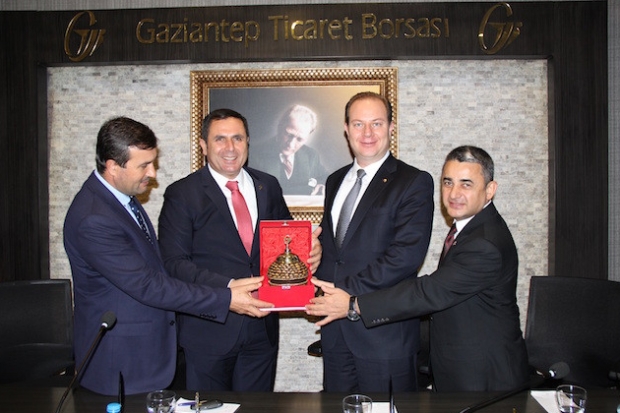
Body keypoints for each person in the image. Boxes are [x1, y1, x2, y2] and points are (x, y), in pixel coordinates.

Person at [64, 116, 273, 396]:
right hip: (122, 360)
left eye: (152, 163)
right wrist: (225, 297)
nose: (152, 173)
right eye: (144, 165)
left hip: (148, 354)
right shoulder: (94, 219)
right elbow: (149, 285)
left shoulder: (121, 200)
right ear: (113, 166)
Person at [307, 145, 530, 392]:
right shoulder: (469, 229)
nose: (454, 193)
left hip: (485, 376)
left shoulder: (484, 244)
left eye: (466, 184)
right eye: (448, 182)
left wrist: (352, 305)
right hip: (462, 367)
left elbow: (428, 292)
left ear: (490, 190)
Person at [158, 108, 322, 392]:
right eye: (220, 139)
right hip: (209, 330)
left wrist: (312, 249)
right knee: (208, 410)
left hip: (262, 331)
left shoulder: (267, 185)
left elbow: (286, 241)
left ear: (248, 141)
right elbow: (174, 263)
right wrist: (228, 287)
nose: (230, 147)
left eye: (237, 138)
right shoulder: (182, 193)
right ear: (203, 145)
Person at [310, 91, 435, 393]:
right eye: (358, 124)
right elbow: (338, 251)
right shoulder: (335, 180)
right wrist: (314, 254)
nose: (367, 133)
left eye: (376, 123)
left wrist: (344, 294)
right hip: (336, 334)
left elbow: (405, 257)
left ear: (391, 127)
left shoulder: (413, 182)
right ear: (346, 129)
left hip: (384, 335)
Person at [251, 104, 328, 195]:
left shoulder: (311, 155)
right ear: (280, 127)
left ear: (307, 137)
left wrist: (322, 184)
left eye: (299, 139)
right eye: (289, 135)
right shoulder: (254, 154)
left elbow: (325, 177)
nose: (291, 144)